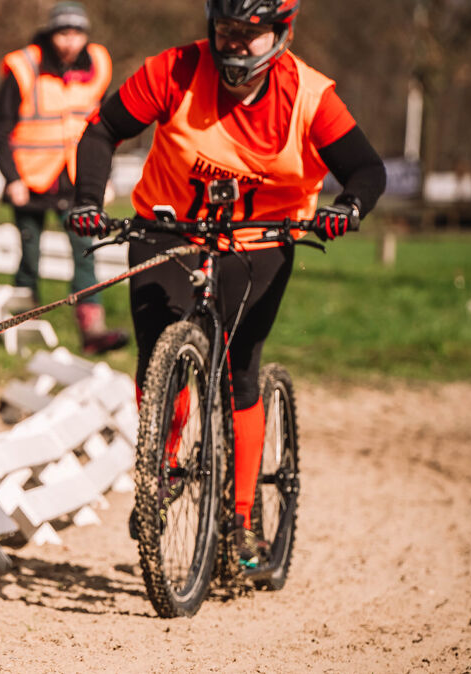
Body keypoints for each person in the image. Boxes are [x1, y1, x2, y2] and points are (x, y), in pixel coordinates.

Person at [68, 0, 386, 565]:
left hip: (261, 238)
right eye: (225, 28)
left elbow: (366, 169)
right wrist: (89, 199)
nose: (234, 42)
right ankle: (160, 468)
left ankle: (240, 520)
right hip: (170, 226)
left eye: (249, 33)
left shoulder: (309, 95)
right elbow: (104, 130)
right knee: (158, 345)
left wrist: (349, 206)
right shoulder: (174, 70)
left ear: (281, 34)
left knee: (239, 369)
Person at [0, 1, 129, 355]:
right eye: (63, 34)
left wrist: (103, 179)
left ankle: (92, 329)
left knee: (86, 252)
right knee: (29, 255)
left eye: (77, 34)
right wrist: (12, 178)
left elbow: (107, 129)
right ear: (51, 34)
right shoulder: (24, 66)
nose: (70, 41)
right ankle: (22, 326)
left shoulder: (98, 65)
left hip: (76, 179)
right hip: (31, 180)